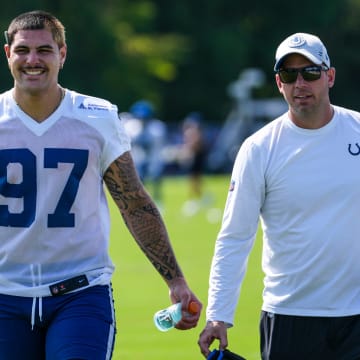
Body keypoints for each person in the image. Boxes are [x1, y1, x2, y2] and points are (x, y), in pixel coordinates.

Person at [0, 10, 202, 360]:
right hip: (4, 293)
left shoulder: (96, 116)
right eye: (22, 50)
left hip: (79, 292)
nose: (32, 60)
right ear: (8, 54)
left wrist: (176, 281)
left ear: (62, 54)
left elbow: (134, 202)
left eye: (44, 50)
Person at [198, 32, 360, 360]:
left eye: (310, 72)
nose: (300, 83)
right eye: (290, 74)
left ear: (329, 76)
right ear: (278, 83)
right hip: (290, 315)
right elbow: (234, 237)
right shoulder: (258, 149)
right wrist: (218, 313)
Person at [122, 100, 167, 208]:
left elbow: (153, 145)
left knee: (156, 179)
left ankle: (157, 200)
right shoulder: (131, 127)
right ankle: (143, 202)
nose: (142, 120)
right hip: (138, 159)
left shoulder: (157, 129)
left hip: (153, 158)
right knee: (139, 182)